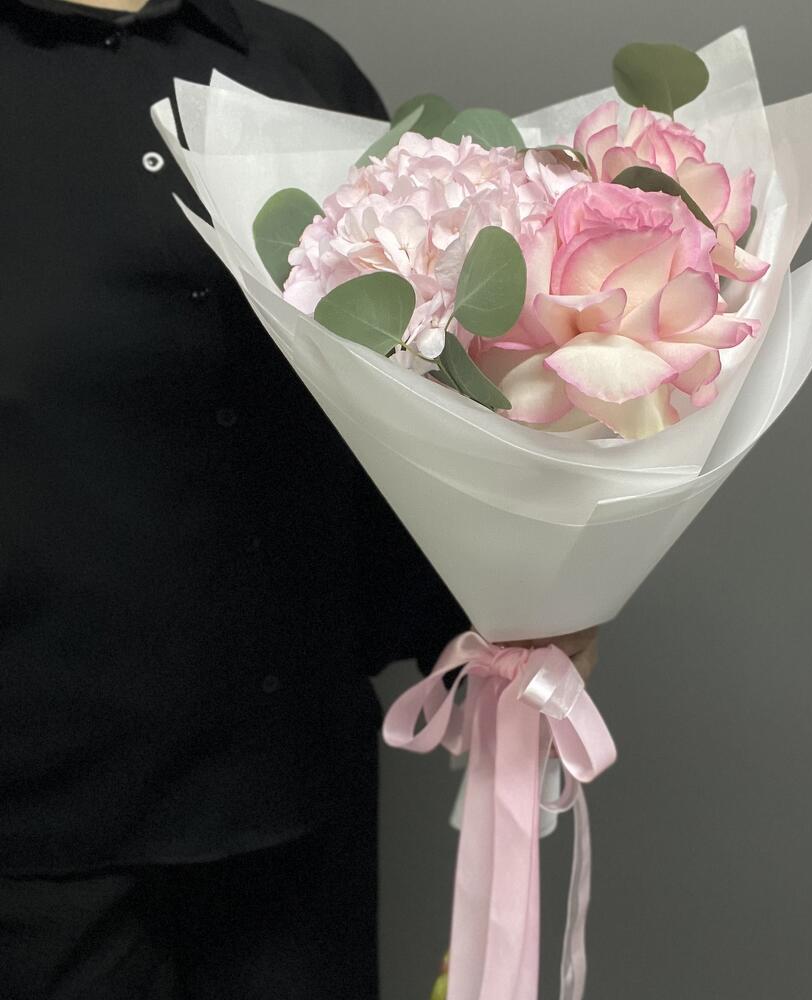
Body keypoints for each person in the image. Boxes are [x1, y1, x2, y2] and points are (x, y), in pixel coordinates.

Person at [0, 2, 599, 997]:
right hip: (37, 838)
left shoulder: (301, 71)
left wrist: (498, 612)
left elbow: (393, 410)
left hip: (292, 810)